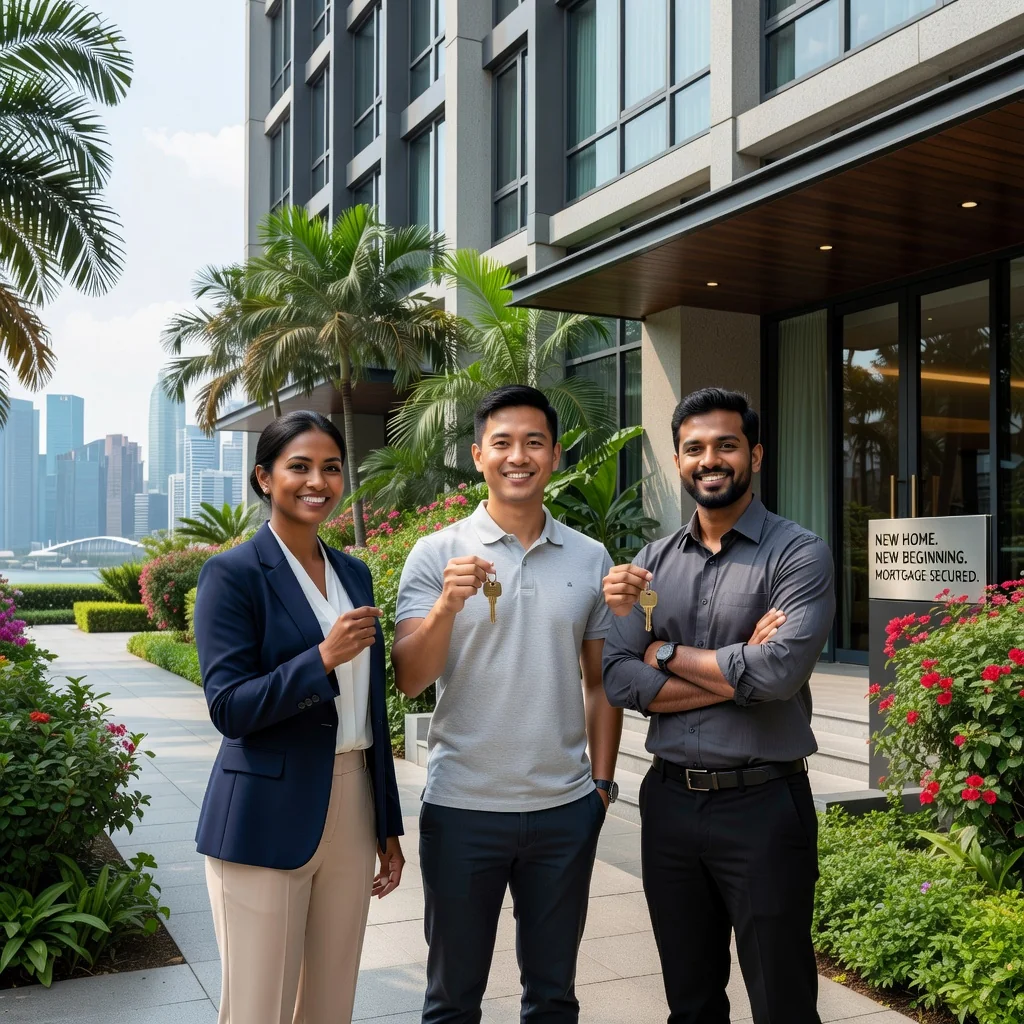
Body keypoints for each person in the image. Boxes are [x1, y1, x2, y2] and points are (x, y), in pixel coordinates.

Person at [602, 387, 835, 1024]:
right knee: (690, 1000)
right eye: (694, 448)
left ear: (753, 455)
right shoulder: (651, 563)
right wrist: (739, 665)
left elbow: (780, 671)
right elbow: (619, 678)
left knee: (783, 999)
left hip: (763, 806)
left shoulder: (797, 552)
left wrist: (666, 654)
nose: (711, 459)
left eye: (726, 445)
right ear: (679, 460)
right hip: (670, 803)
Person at [392, 385, 622, 1024]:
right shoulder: (436, 552)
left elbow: (600, 682)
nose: (518, 455)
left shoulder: (588, 555)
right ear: (477, 456)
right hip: (462, 807)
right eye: (502, 443)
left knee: (553, 998)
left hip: (563, 810)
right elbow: (410, 677)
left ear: (553, 456)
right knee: (452, 999)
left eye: (534, 442)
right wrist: (445, 605)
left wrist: (600, 786)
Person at [193, 410, 405, 1024]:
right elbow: (230, 708)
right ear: (264, 477)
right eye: (300, 467)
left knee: (330, 1002)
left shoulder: (354, 573)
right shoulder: (231, 575)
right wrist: (322, 658)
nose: (319, 481)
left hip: (352, 800)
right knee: (258, 1007)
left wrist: (386, 824)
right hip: (263, 811)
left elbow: (372, 709)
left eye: (332, 468)